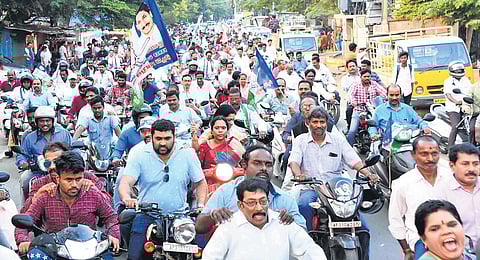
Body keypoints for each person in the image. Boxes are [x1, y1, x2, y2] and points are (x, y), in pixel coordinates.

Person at [119, 119, 208, 260]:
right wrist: (127, 198)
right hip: (148, 215)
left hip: (181, 216)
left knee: (203, 253)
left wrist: (201, 205)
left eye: (167, 138)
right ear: (151, 137)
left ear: (174, 136)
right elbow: (126, 182)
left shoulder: (187, 154)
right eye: (158, 138)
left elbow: (200, 183)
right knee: (135, 256)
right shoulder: (139, 153)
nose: (162, 143)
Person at [288, 106, 378, 231]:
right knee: (304, 205)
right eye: (315, 122)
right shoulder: (300, 141)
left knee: (363, 228)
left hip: (337, 190)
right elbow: (294, 161)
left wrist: (368, 174)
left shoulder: (338, 140)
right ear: (307, 123)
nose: (319, 125)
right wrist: (298, 175)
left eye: (322, 122)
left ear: (326, 123)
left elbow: (354, 160)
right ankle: (306, 238)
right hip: (311, 187)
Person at [15, 151, 120, 256]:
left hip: (90, 251)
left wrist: (113, 235)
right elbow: (25, 221)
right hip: (56, 252)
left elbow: (111, 217)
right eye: (69, 180)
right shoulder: (45, 197)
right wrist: (23, 241)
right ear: (58, 179)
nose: (74, 184)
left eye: (78, 179)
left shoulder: (93, 194)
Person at [202, 177, 327, 260]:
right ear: (241, 205)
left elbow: (310, 250)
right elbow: (210, 257)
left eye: (263, 201)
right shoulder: (228, 227)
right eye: (251, 202)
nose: (259, 208)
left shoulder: (283, 222)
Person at [195, 144, 306, 235]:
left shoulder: (284, 198)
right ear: (244, 165)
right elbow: (199, 227)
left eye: (268, 165)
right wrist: (213, 216)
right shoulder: (226, 192)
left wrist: (290, 223)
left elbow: (303, 235)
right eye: (257, 163)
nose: (263, 168)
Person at [388, 136, 451, 259]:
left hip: (452, 236)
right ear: (413, 155)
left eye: (434, 154)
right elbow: (395, 219)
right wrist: (406, 250)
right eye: (424, 154)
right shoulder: (403, 183)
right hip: (420, 241)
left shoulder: (450, 177)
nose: (430, 159)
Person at [22, 142, 104, 212]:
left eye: (56, 161)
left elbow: (109, 206)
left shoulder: (87, 177)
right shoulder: (40, 183)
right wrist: (38, 194)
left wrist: (95, 190)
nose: (51, 167)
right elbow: (25, 214)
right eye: (47, 163)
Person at [16, 106, 72, 202]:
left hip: (62, 169)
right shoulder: (30, 137)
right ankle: (26, 208)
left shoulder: (64, 133)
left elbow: (73, 149)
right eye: (41, 121)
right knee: (25, 180)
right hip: (38, 171)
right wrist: (22, 163)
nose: (45, 124)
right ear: (37, 122)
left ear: (52, 121)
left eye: (47, 121)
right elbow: (22, 154)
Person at [434, 143, 480, 246]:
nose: (471, 169)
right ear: (452, 166)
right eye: (465, 164)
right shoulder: (441, 193)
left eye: (475, 164)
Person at [112, 115, 156, 212]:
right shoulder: (136, 150)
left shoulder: (169, 148)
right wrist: (126, 198)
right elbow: (118, 150)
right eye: (143, 131)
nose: (147, 134)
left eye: (150, 131)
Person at [346, 68, 387, 145]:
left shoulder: (374, 84)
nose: (367, 78)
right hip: (359, 110)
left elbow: (383, 92)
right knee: (352, 130)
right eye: (365, 76)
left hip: (372, 110)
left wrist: (388, 98)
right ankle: (348, 148)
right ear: (361, 77)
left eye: (368, 76)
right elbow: (351, 94)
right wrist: (353, 101)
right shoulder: (356, 85)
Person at [443, 61, 472, 147]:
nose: (459, 72)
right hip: (453, 108)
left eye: (460, 70)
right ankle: (450, 148)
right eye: (457, 71)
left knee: (472, 127)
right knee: (455, 126)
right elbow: (448, 95)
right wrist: (456, 101)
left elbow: (470, 91)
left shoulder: (466, 80)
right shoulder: (448, 81)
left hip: (466, 106)